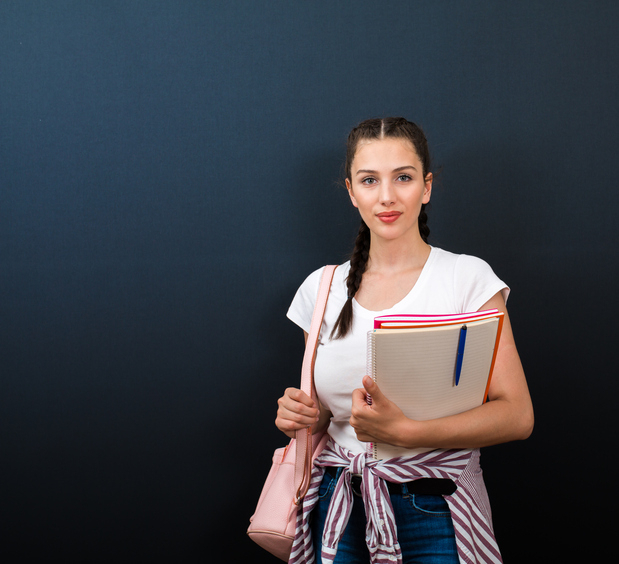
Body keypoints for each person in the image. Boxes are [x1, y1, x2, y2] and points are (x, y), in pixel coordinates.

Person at [275, 117, 534, 564]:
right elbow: (322, 420)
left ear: (427, 187)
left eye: (404, 178)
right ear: (352, 191)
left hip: (436, 505)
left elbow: (517, 415)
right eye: (370, 180)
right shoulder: (321, 289)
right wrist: (302, 415)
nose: (387, 196)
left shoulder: (466, 279)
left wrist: (408, 432)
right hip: (341, 501)